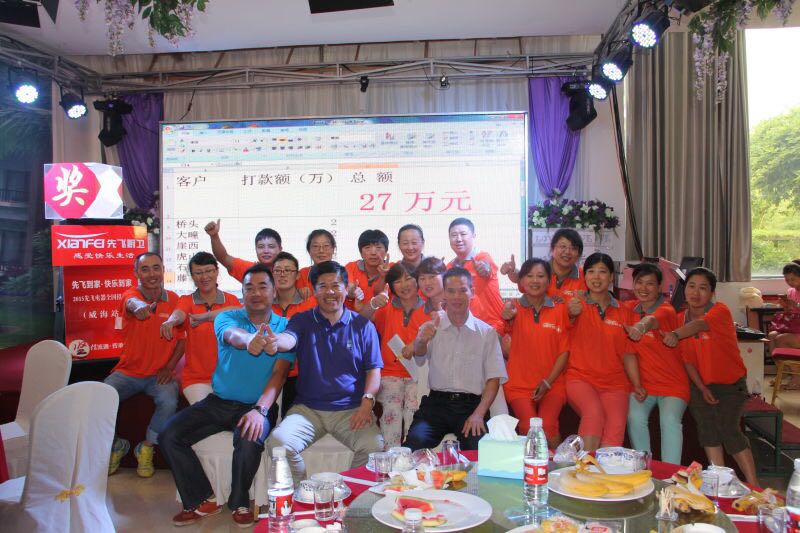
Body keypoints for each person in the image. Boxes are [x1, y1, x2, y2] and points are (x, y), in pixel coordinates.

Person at [159, 264, 295, 528]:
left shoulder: (284, 326)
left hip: (257, 405)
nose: (256, 293)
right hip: (218, 402)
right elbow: (233, 336)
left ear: (274, 291)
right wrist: (250, 340)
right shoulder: (227, 317)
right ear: (242, 292)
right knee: (169, 434)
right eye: (249, 288)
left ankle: (240, 501)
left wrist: (260, 411)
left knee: (249, 437)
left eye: (262, 286)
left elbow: (279, 375)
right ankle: (203, 499)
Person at [264, 261, 385, 482]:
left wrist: (367, 403)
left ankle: (350, 495)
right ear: (314, 291)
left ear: (346, 289)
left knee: (374, 448)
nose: (330, 292)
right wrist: (275, 341)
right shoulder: (302, 321)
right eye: (323, 286)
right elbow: (288, 339)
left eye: (335, 285)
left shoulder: (363, 326)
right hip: (307, 410)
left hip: (351, 409)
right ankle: (301, 494)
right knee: (278, 444)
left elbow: (374, 370)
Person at [662, 267, 759, 486]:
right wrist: (702, 388)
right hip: (699, 384)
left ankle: (755, 485)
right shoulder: (679, 318)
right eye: (691, 286)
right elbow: (687, 361)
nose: (695, 293)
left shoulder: (720, 311)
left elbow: (699, 325)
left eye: (703, 288)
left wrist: (675, 334)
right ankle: (720, 483)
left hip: (730, 384)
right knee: (707, 431)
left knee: (729, 430)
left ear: (712, 293)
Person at [403, 267, 507, 451]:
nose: (456, 297)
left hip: (471, 405)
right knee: (413, 444)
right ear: (444, 294)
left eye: (462, 290)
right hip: (436, 405)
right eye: (451, 291)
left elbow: (493, 379)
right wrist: (420, 341)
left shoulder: (486, 333)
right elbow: (419, 357)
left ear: (472, 292)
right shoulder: (431, 327)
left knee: (478, 450)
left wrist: (479, 414)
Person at [105, 252, 183, 477]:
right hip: (127, 372)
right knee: (99, 399)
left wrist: (169, 367)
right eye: (145, 269)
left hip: (159, 375)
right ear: (136, 273)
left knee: (169, 401)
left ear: (163, 270)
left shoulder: (175, 300)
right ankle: (116, 445)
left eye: (156, 268)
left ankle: (146, 447)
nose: (152, 274)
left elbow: (182, 341)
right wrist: (139, 307)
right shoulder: (129, 295)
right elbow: (131, 303)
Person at [565, 253, 646, 453]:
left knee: (615, 427)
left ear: (611, 277)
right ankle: (584, 466)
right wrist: (570, 313)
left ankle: (605, 470)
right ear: (585, 276)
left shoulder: (624, 311)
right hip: (580, 378)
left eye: (602, 272)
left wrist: (637, 384)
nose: (596, 277)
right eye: (591, 271)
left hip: (615, 383)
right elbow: (565, 325)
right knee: (594, 414)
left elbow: (628, 353)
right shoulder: (576, 305)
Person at [622, 262, 689, 465]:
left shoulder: (666, 310)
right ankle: (644, 468)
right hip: (643, 385)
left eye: (650, 283)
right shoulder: (628, 309)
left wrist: (639, 327)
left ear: (660, 287)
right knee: (634, 418)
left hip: (672, 384)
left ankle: (670, 473)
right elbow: (629, 353)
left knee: (669, 420)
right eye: (639, 282)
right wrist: (637, 384)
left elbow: (651, 320)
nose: (643, 288)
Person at [500, 258, 569, 447]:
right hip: (519, 384)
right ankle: (530, 465)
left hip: (552, 383)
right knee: (528, 426)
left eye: (540, 276)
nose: (535, 280)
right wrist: (507, 316)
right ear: (521, 281)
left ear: (549, 281)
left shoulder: (559, 309)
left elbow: (564, 352)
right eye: (529, 276)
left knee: (548, 426)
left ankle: (557, 463)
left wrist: (548, 382)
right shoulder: (512, 308)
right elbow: (505, 326)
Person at [361, 263, 429, 448]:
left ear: (417, 281)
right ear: (391, 286)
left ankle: (410, 454)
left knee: (413, 409)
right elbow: (360, 320)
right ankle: (392, 456)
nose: (404, 285)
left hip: (419, 374)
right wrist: (373, 303)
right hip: (389, 373)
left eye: (408, 278)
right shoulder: (386, 307)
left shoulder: (429, 309)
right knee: (391, 410)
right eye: (397, 281)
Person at [160, 252, 241, 404]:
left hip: (228, 378)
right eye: (198, 273)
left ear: (216, 272)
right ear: (192, 276)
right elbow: (179, 313)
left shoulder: (231, 300)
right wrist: (171, 321)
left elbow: (237, 312)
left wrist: (205, 316)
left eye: (209, 271)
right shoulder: (186, 300)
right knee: (205, 414)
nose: (204, 277)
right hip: (196, 379)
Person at [271, 251, 316, 419]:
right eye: (278, 270)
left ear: (297, 275)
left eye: (288, 270)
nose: (282, 274)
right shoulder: (264, 305)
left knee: (291, 422)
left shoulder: (311, 303)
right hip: (267, 374)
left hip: (300, 375)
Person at [446, 217, 505, 334]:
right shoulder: (449, 267)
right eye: (454, 235)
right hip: (465, 331)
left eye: (463, 234)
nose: (458, 239)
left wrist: (485, 269)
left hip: (491, 328)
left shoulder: (482, 257)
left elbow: (487, 268)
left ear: (473, 236)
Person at [501, 228, 586, 301]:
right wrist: (512, 271)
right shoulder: (538, 270)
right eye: (563, 246)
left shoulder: (586, 277)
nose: (567, 252)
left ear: (579, 254)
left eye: (573, 248)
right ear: (552, 248)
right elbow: (520, 278)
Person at [204, 219, 282, 282]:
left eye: (271, 247)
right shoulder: (250, 270)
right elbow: (224, 258)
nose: (266, 251)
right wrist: (214, 236)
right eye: (261, 247)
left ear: (280, 249)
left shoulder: (288, 273)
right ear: (255, 249)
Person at [344, 229, 390, 312]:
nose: (373, 253)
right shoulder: (351, 267)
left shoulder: (394, 268)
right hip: (355, 318)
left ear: (386, 251)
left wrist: (383, 276)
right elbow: (349, 286)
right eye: (367, 248)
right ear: (361, 253)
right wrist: (352, 291)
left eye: (378, 247)